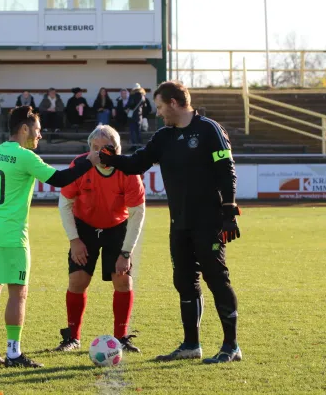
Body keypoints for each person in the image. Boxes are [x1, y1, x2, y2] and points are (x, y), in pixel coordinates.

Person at [97, 80, 242, 364]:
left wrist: (229, 213)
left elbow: (227, 171)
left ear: (174, 103)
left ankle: (231, 345)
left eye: (161, 106)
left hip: (209, 221)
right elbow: (138, 162)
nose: (159, 112)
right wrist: (110, 159)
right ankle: (191, 345)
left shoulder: (209, 130)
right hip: (180, 222)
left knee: (217, 279)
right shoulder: (164, 137)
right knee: (184, 281)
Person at [0, 105, 101, 368]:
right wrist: (90, 160)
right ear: (25, 128)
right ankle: (14, 354)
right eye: (38, 131)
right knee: (18, 293)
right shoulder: (24, 156)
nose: (40, 136)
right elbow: (61, 179)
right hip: (11, 237)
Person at [53, 125, 146, 353]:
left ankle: (121, 338)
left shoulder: (129, 171)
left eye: (106, 149)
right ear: (89, 150)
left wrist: (125, 253)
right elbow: (64, 203)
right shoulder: (80, 165)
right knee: (77, 281)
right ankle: (72, 338)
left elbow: (137, 214)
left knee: (123, 280)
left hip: (117, 227)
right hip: (84, 228)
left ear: (117, 150)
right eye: (95, 148)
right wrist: (75, 240)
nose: (100, 153)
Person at [125, 84, 146, 151]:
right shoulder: (143, 96)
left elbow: (130, 104)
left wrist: (127, 108)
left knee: (132, 131)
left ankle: (134, 146)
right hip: (139, 115)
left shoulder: (132, 95)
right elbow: (145, 106)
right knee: (138, 131)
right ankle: (140, 146)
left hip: (132, 115)